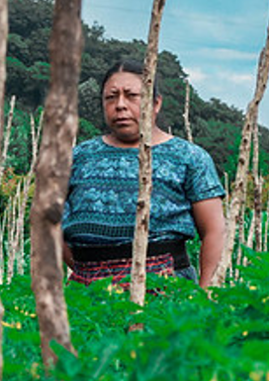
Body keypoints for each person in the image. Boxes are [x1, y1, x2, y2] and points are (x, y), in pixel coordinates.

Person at [62, 59, 226, 289]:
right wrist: (88, 269)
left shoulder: (189, 157)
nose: (120, 105)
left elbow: (214, 230)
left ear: (155, 103)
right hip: (88, 292)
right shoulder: (77, 157)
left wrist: (207, 291)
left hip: (166, 290)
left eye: (131, 96)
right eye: (111, 97)